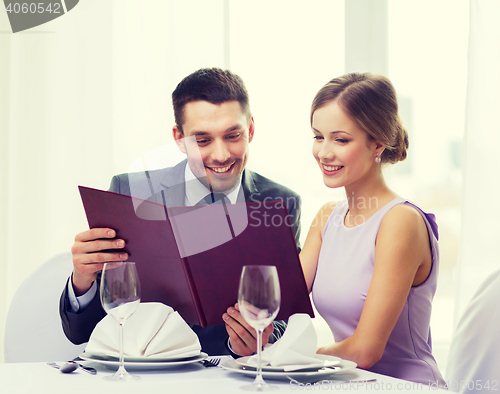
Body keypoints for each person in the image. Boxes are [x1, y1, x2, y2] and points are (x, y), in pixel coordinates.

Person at [59, 68, 301, 357]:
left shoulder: (282, 202)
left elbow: (286, 313)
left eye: (233, 135)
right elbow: (81, 334)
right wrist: (82, 280)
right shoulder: (129, 191)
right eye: (202, 140)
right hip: (145, 375)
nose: (221, 155)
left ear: (250, 130)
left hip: (229, 375)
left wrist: (262, 338)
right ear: (179, 139)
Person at [299, 72, 445, 386]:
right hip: (350, 385)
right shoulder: (326, 219)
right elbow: (279, 302)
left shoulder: (400, 222)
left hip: (406, 388)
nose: (324, 152)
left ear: (377, 143)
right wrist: (252, 334)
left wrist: (297, 358)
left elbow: (365, 351)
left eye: (340, 139)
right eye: (318, 136)